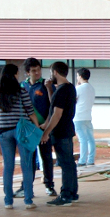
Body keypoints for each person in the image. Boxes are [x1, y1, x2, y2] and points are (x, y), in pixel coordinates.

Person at [0, 64, 40, 210]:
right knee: (26, 165)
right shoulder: (21, 91)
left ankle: (8, 201)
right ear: (15, 74)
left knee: (8, 166)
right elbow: (30, 111)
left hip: (3, 131)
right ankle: (28, 200)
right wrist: (37, 127)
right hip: (21, 131)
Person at [41, 61, 79, 207]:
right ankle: (72, 193)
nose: (51, 75)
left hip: (61, 131)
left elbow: (56, 114)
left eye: (51, 72)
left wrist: (46, 132)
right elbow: (54, 106)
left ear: (55, 72)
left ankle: (66, 195)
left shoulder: (62, 90)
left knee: (65, 163)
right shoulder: (68, 88)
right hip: (67, 130)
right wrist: (50, 89)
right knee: (69, 163)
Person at [22, 58, 58, 197]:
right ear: (27, 72)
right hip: (28, 129)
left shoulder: (46, 84)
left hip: (43, 128)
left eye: (38, 70)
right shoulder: (22, 86)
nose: (37, 73)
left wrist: (47, 124)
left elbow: (53, 107)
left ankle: (49, 185)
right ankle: (27, 186)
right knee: (29, 158)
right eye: (33, 71)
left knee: (46, 157)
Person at [74, 67, 96, 167]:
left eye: (77, 76)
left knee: (82, 139)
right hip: (88, 116)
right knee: (90, 139)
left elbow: (73, 100)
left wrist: (76, 86)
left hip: (78, 116)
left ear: (80, 76)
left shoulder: (78, 88)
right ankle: (90, 159)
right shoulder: (91, 88)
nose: (77, 77)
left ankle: (82, 160)